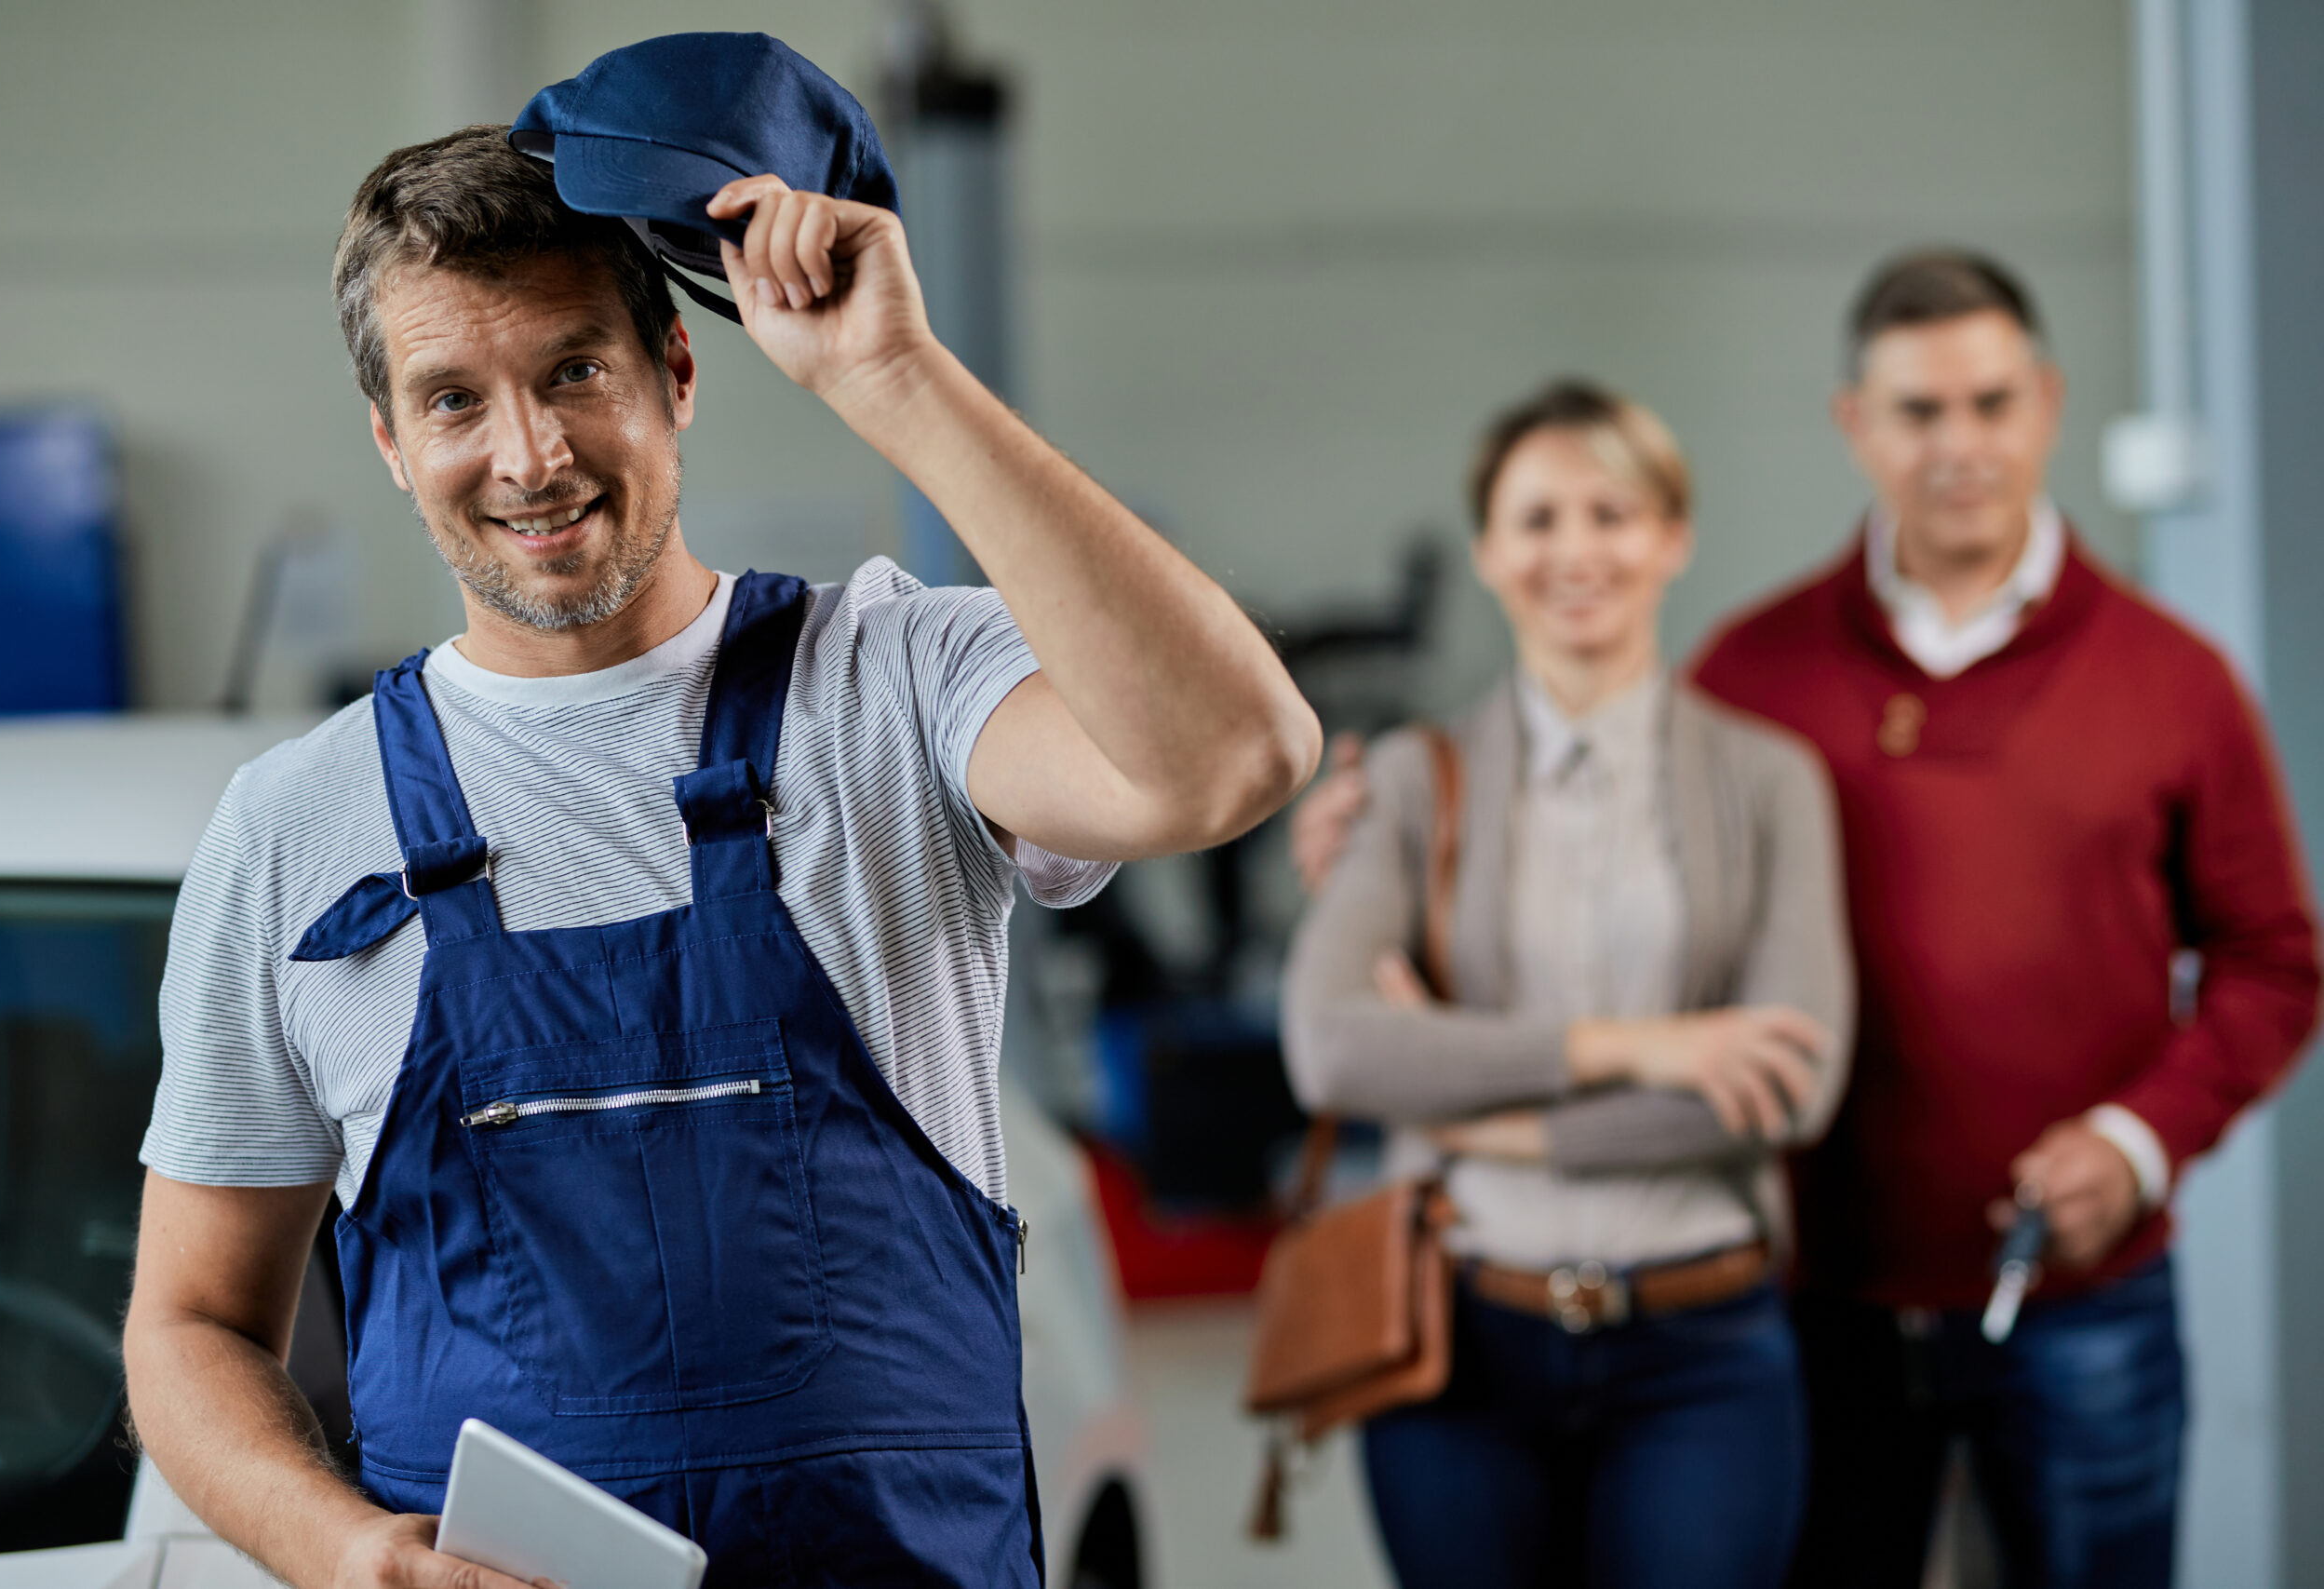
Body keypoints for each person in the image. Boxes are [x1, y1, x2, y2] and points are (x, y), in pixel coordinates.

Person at [120, 36, 1319, 1589]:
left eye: (574, 371)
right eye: (454, 399)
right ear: (391, 442)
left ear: (675, 375)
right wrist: (352, 1555)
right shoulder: (295, 826)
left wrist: (899, 383)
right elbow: (189, 1325)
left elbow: (1233, 758)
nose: (529, 455)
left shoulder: (895, 681)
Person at [1296, 252, 2323, 1589]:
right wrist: (1367, 847)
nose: (1958, 445)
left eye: (1990, 403)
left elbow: (2274, 962)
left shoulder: (2173, 680)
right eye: (1917, 411)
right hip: (1819, 1296)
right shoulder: (1757, 677)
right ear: (1855, 423)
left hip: (2083, 1298)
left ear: (2048, 406)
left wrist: (2137, 1143)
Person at [1281, 379, 1853, 1589]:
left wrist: (1479, 1113)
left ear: (1673, 537)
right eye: (1538, 519)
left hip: (1704, 1351)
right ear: (1489, 551)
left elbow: (1792, 1085)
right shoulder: (1408, 781)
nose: (1576, 550)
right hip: (1459, 1345)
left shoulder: (1771, 782)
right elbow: (1332, 1049)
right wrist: (1640, 1051)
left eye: (1613, 511)